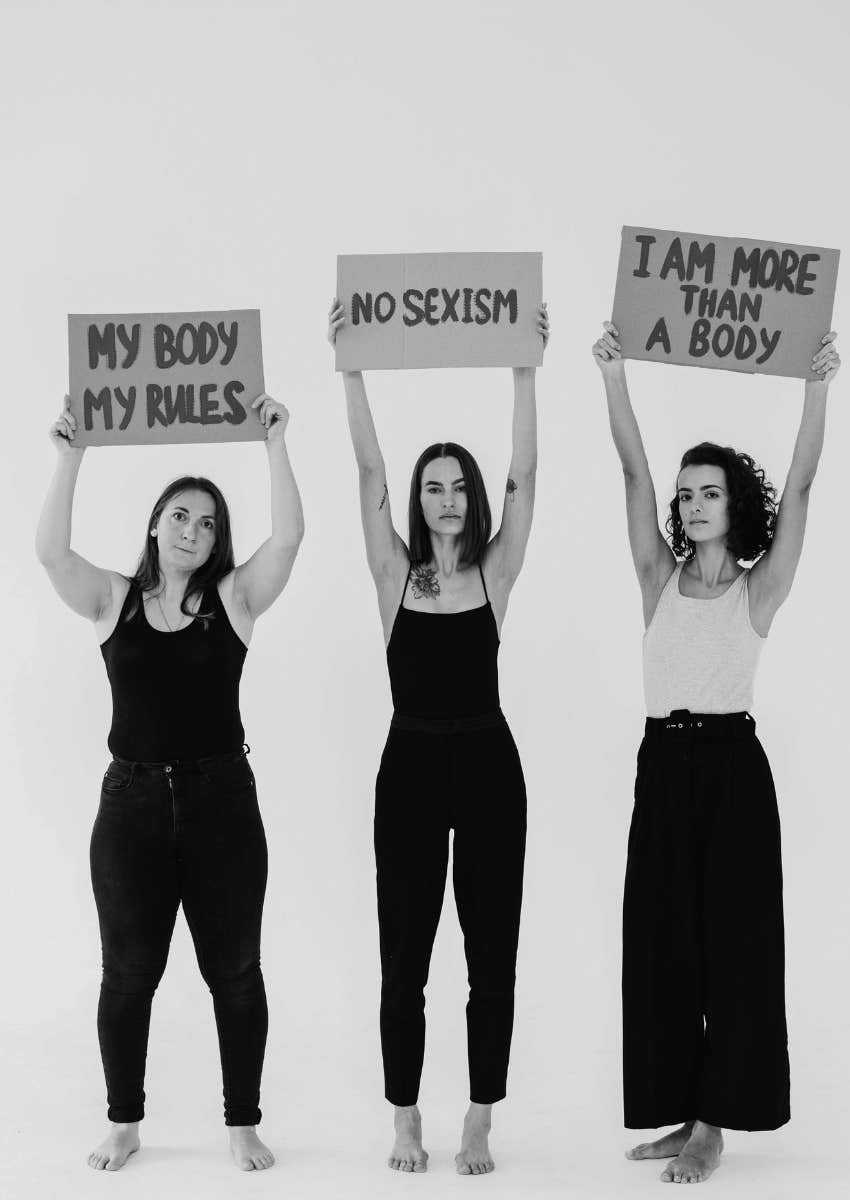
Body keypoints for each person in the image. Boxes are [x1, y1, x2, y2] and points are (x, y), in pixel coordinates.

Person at [592, 320, 840, 1185]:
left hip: (734, 770)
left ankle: (713, 1124)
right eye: (687, 494)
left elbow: (804, 488)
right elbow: (631, 470)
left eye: (710, 493)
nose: (693, 503)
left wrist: (818, 389)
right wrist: (614, 377)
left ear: (736, 505)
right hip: (662, 766)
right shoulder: (657, 579)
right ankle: (677, 1110)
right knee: (662, 939)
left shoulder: (757, 587)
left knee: (731, 944)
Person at [35, 392, 304, 1172]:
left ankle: (243, 1123)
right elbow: (51, 555)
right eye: (181, 516)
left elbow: (289, 538)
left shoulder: (233, 602)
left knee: (237, 972)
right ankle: (124, 1122)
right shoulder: (112, 600)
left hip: (223, 804)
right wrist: (71, 457)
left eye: (209, 522)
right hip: (132, 809)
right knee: (127, 974)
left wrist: (275, 445)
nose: (193, 530)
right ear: (157, 523)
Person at [328, 297, 549, 1175]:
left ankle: (482, 1116)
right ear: (419, 501)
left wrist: (524, 371)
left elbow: (526, 478)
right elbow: (369, 469)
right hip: (411, 766)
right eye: (436, 486)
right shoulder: (394, 575)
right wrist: (351, 369)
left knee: (490, 953)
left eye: (460, 485)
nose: (449, 498)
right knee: (404, 957)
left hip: (490, 764)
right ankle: (406, 1116)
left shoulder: (496, 573)